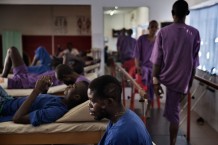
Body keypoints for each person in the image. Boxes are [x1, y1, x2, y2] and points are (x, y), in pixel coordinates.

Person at [150, 1, 200, 145]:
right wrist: (188, 85)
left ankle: (172, 142)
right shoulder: (194, 33)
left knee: (174, 114)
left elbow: (157, 61)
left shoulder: (163, 33)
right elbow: (194, 62)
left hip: (166, 77)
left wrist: (155, 82)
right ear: (187, 14)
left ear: (173, 14)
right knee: (174, 113)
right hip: (183, 80)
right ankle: (172, 141)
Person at [88, 75, 153, 145]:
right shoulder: (123, 115)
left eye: (92, 101)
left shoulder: (118, 136)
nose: (89, 105)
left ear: (109, 102)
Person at [0, 76, 89, 126]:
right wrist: (44, 90)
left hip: (3, 107)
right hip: (9, 99)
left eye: (73, 86)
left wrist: (36, 90)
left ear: (76, 97)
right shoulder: (61, 100)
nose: (69, 85)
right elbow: (39, 103)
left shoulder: (56, 110)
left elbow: (17, 118)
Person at [134, 20, 159, 118]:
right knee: (145, 86)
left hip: (154, 68)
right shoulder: (141, 39)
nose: (153, 29)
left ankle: (148, 108)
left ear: (157, 29)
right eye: (151, 26)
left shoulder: (158, 41)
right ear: (148, 28)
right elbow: (136, 54)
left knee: (152, 87)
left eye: (155, 27)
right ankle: (144, 104)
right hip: (144, 68)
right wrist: (137, 67)